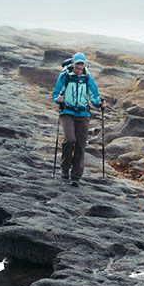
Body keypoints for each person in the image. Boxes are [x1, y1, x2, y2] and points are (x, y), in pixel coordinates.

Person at [51, 53, 101, 186]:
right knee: (70, 139)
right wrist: (58, 99)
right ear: (73, 63)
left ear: (84, 64)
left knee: (80, 143)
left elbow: (94, 94)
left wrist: (98, 103)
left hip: (83, 114)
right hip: (67, 112)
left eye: (81, 64)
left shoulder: (87, 77)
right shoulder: (65, 76)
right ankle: (65, 168)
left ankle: (76, 175)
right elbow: (56, 93)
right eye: (77, 64)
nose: (79, 67)